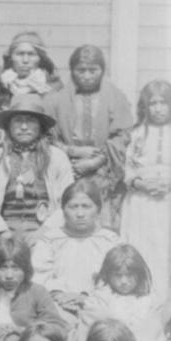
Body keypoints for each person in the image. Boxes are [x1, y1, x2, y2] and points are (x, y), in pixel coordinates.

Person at [44, 45, 134, 230]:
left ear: (102, 70)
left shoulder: (116, 98)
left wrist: (95, 162)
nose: (86, 76)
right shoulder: (56, 100)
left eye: (93, 70)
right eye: (81, 70)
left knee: (102, 225)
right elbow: (47, 136)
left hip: (102, 170)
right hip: (68, 168)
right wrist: (72, 151)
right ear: (72, 71)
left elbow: (122, 136)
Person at [0, 93, 73, 238]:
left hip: (46, 231)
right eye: (18, 121)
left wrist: (44, 231)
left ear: (40, 126)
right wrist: (2, 230)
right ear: (9, 126)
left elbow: (67, 200)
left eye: (31, 121)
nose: (24, 127)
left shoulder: (56, 157)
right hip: (3, 230)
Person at [122, 79, 171, 285]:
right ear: (145, 107)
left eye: (163, 103)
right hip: (142, 201)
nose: (158, 109)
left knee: (167, 247)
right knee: (144, 246)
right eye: (153, 104)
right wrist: (141, 184)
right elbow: (128, 169)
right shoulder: (137, 134)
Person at [30, 178, 120, 316]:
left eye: (86, 206)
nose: (80, 214)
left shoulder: (110, 241)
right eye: (73, 207)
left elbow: (118, 278)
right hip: (56, 305)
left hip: (99, 306)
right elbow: (39, 277)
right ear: (63, 210)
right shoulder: (50, 240)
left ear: (98, 209)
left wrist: (86, 298)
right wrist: (58, 294)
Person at [0, 235, 68, 341]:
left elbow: (58, 326)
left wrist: (26, 331)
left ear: (26, 269)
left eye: (16, 268)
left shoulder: (36, 291)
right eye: (3, 268)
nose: (9, 275)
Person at [75, 243, 162, 341]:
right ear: (108, 275)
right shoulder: (98, 301)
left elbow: (153, 334)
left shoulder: (150, 302)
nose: (124, 281)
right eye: (118, 275)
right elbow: (87, 338)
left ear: (140, 275)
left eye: (130, 275)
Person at [0, 30, 62, 98]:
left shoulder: (53, 86)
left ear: (41, 58)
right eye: (20, 54)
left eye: (31, 54)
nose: (25, 60)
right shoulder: (1, 84)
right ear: (11, 57)